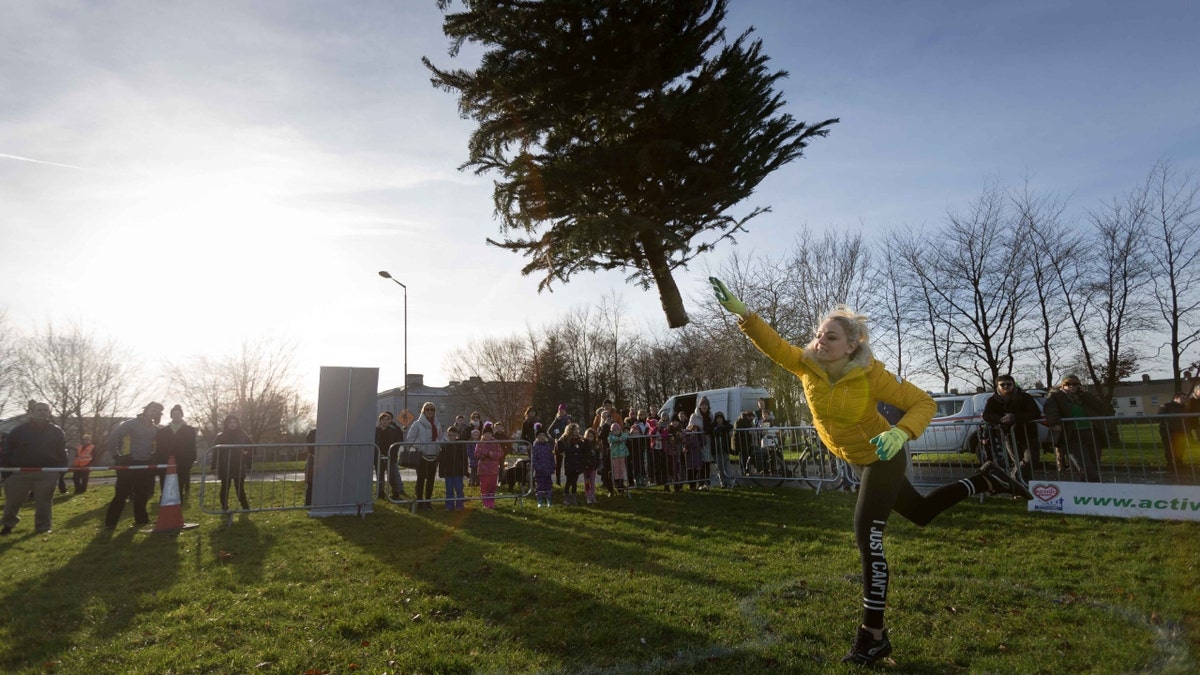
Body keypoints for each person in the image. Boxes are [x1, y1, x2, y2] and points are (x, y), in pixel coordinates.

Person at [710, 277, 1031, 666]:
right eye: (818, 335)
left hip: (884, 456)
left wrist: (900, 433)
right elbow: (773, 344)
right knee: (921, 513)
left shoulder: (871, 373)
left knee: (867, 533)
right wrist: (744, 314)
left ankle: (873, 636)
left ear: (852, 345)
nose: (820, 342)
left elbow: (923, 403)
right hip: (858, 459)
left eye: (830, 337)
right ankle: (987, 479)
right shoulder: (806, 366)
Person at [1, 402, 68, 535]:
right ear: (31, 413)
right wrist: (7, 473)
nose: (42, 412)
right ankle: (7, 526)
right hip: (19, 473)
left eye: (45, 410)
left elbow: (62, 453)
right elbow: (7, 452)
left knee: (44, 502)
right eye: (39, 410)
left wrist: (60, 472)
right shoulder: (18, 431)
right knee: (13, 501)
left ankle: (43, 527)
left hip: (47, 473)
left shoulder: (56, 431)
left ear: (49, 413)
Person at [104, 402, 164, 528]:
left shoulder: (154, 429)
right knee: (122, 494)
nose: (153, 413)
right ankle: (110, 523)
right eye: (151, 410)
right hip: (128, 464)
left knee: (142, 493)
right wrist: (117, 456)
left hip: (144, 465)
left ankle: (141, 520)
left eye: (156, 411)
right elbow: (112, 438)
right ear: (146, 409)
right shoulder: (131, 424)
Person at [1044, 376, 1114, 483]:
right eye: (1068, 384)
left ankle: (1082, 491)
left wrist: (1085, 394)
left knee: (1094, 464)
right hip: (1072, 435)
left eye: (1075, 384)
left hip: (1092, 433)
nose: (1071, 386)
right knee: (1084, 466)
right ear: (1063, 385)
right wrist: (1055, 423)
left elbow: (1101, 408)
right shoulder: (1056, 396)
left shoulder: (1084, 396)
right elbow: (1050, 410)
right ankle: (1096, 488)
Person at [981, 375, 1044, 482]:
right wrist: (1000, 419)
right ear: (998, 386)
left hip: (1028, 433)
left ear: (1013, 384)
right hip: (1008, 435)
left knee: (1030, 460)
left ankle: (1013, 480)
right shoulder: (993, 400)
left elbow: (1035, 413)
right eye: (1002, 385)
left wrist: (1014, 417)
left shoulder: (1025, 397)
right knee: (1017, 461)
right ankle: (1023, 487)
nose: (1006, 386)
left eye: (1009, 384)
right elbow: (986, 415)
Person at [211, 414, 253, 511]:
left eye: (235, 422)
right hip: (225, 465)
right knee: (225, 487)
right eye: (230, 422)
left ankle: (245, 507)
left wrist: (247, 458)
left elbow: (251, 446)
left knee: (240, 488)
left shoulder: (242, 434)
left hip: (239, 464)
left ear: (238, 423)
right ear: (226, 424)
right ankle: (224, 507)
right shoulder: (221, 436)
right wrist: (213, 466)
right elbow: (215, 452)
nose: (233, 424)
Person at [155, 404, 198, 498]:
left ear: (181, 415)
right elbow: (160, 447)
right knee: (165, 480)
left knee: (180, 480)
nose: (176, 415)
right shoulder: (163, 431)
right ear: (171, 416)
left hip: (183, 460)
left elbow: (192, 445)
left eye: (178, 413)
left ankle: (179, 499)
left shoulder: (189, 430)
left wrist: (191, 459)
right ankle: (165, 498)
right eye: (174, 414)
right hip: (166, 460)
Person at [406, 402, 440, 509]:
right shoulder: (417, 424)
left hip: (434, 455)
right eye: (427, 409)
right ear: (423, 411)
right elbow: (410, 438)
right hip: (421, 456)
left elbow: (440, 436)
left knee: (431, 479)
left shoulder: (437, 424)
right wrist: (420, 446)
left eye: (432, 409)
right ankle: (420, 501)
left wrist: (442, 442)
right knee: (421, 479)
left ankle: (428, 501)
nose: (429, 411)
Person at [1157, 392, 1189, 481]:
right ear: (1176, 397)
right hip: (1168, 431)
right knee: (1169, 448)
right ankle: (1170, 464)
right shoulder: (1166, 406)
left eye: (1185, 399)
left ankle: (1179, 463)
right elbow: (1160, 416)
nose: (1184, 400)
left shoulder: (1184, 407)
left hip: (1180, 430)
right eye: (1183, 398)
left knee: (1180, 448)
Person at [375, 412, 404, 500]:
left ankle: (395, 492)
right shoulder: (376, 431)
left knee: (392, 475)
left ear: (390, 421)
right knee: (380, 475)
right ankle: (380, 492)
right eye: (383, 420)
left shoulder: (393, 430)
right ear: (380, 421)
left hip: (390, 457)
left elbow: (397, 443)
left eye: (387, 420)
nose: (385, 422)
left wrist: (392, 454)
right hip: (379, 456)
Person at [474, 424, 505, 509]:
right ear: (483, 435)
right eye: (486, 433)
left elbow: (500, 453)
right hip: (483, 470)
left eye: (489, 433)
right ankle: (486, 502)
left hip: (493, 469)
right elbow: (476, 453)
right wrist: (486, 452)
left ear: (492, 434)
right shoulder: (480, 443)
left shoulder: (495, 443)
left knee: (492, 486)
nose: (487, 435)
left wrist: (493, 454)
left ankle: (491, 502)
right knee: (484, 486)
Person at [557, 423, 586, 505]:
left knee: (575, 481)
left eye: (577, 429)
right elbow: (560, 450)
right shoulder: (566, 440)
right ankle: (566, 496)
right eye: (575, 430)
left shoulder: (579, 440)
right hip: (570, 463)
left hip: (577, 463)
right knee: (569, 481)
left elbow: (583, 449)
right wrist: (560, 441)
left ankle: (574, 496)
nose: (577, 431)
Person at [440, 426, 468, 511]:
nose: (451, 437)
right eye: (449, 435)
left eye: (453, 435)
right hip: (448, 471)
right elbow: (442, 460)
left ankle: (460, 505)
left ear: (457, 435)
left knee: (459, 488)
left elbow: (464, 459)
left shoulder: (460, 446)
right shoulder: (445, 446)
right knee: (449, 489)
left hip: (458, 471)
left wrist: (464, 470)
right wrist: (441, 471)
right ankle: (449, 505)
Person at [547, 403, 572, 485]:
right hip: (559, 443)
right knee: (558, 463)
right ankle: (558, 481)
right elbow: (549, 431)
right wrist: (556, 435)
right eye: (560, 410)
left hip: (568, 443)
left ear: (565, 411)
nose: (561, 412)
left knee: (568, 462)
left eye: (563, 410)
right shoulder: (557, 419)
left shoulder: (568, 419)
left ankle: (569, 480)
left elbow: (572, 430)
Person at [531, 426, 556, 507]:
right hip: (540, 471)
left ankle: (549, 500)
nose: (542, 437)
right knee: (540, 486)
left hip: (548, 470)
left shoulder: (548, 446)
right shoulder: (535, 447)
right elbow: (534, 460)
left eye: (543, 435)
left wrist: (552, 466)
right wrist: (538, 468)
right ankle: (540, 501)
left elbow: (551, 457)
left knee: (548, 485)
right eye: (540, 435)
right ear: (537, 437)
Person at [608, 421, 631, 497]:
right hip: (615, 456)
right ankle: (617, 481)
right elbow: (611, 439)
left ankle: (622, 481)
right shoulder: (611, 436)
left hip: (622, 455)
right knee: (616, 469)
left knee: (622, 469)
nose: (616, 432)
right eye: (614, 430)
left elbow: (626, 436)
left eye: (617, 430)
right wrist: (618, 439)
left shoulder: (623, 435)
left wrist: (620, 438)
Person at [580, 427, 601, 505]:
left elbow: (598, 456)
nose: (590, 438)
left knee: (593, 482)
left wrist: (597, 464)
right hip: (586, 468)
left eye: (591, 436)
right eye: (588, 436)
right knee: (587, 482)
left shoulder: (596, 446)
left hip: (593, 467)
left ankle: (593, 495)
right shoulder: (583, 445)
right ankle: (588, 496)